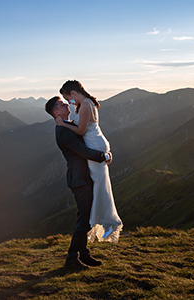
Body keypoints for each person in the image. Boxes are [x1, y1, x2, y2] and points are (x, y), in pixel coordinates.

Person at [45, 96, 109, 271]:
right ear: (56, 112)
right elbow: (83, 151)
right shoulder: (63, 132)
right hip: (79, 179)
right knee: (85, 220)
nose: (66, 104)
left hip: (83, 177)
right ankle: (72, 258)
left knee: (86, 217)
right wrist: (104, 156)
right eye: (62, 104)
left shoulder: (67, 126)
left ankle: (83, 254)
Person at [56, 80, 123, 244]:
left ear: (73, 93)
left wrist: (63, 123)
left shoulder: (85, 104)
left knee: (97, 186)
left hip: (94, 145)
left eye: (69, 100)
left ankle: (96, 219)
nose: (70, 104)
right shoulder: (87, 103)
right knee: (98, 184)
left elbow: (81, 130)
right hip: (96, 143)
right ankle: (94, 219)